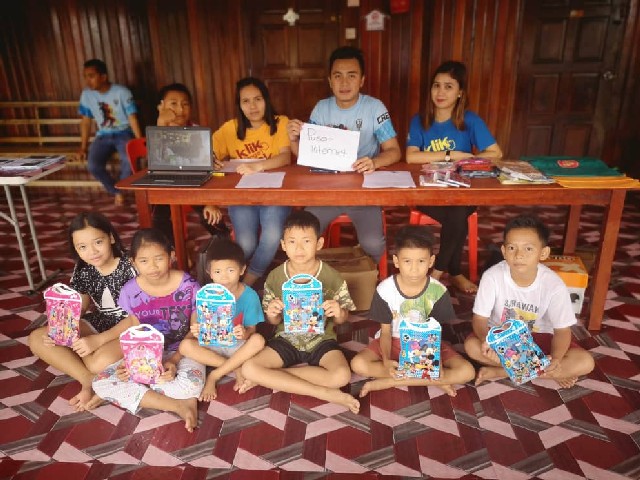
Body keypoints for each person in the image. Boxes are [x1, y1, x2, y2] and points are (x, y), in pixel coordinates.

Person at [287, 46, 401, 265]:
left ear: (362, 80)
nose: (344, 82)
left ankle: (367, 277)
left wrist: (374, 162)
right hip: (326, 190)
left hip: (363, 190)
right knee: (300, 236)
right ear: (330, 81)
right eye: (338, 76)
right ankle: (309, 276)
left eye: (352, 75)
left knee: (373, 245)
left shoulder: (374, 107)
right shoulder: (322, 109)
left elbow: (394, 150)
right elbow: (306, 155)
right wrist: (293, 140)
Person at [241, 211, 360, 413]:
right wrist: (273, 313)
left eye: (306, 241)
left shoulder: (332, 276)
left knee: (342, 375)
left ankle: (276, 377)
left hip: (321, 339)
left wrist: (339, 312)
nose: (299, 248)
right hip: (286, 338)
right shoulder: (276, 277)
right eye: (292, 242)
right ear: (283, 245)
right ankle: (323, 392)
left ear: (319, 243)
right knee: (249, 368)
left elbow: (342, 319)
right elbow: (272, 321)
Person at [92, 229, 205, 432]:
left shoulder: (189, 286)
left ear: (171, 256)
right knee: (101, 383)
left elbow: (195, 331)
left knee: (192, 384)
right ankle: (179, 405)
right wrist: (131, 364)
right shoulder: (130, 291)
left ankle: (144, 392)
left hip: (184, 351)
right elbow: (137, 331)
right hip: (146, 356)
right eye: (144, 261)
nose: (152, 267)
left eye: (158, 258)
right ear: (134, 262)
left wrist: (173, 362)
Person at [464, 215, 595, 388]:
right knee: (472, 346)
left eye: (528, 249)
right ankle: (541, 372)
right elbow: (480, 318)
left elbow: (562, 330)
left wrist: (556, 360)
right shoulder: (492, 276)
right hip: (502, 339)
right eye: (512, 248)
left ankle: (501, 371)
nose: (519, 255)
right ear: (503, 251)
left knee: (585, 362)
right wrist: (487, 341)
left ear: (543, 253)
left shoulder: (554, 284)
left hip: (540, 339)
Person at [406, 60, 503, 293]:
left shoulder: (470, 120)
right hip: (429, 192)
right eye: (436, 85)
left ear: (460, 92)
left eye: (448, 86)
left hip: (461, 190)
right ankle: (454, 273)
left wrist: (469, 161)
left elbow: (496, 153)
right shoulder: (420, 119)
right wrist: (452, 155)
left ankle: (436, 275)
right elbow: (411, 156)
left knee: (458, 211)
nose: (440, 92)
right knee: (457, 216)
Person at [28, 212, 136, 411]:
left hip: (131, 326)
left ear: (111, 238)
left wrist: (98, 340)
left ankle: (90, 368)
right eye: (82, 247)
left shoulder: (130, 266)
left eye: (98, 242)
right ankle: (88, 380)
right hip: (101, 320)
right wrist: (62, 329)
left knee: (97, 362)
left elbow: (137, 317)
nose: (92, 252)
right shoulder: (83, 267)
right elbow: (81, 303)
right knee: (37, 338)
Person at [350, 225, 475, 397]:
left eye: (421, 261)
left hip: (426, 345)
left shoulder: (438, 291)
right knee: (358, 364)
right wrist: (386, 360)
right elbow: (385, 332)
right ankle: (431, 380)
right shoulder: (385, 290)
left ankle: (391, 381)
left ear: (431, 261)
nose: (414, 269)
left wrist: (436, 362)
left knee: (467, 371)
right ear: (396, 261)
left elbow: (435, 334)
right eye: (407, 261)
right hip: (393, 341)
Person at [212, 77, 292, 287]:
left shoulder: (281, 123)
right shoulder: (230, 129)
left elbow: (285, 157)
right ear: (239, 105)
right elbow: (207, 154)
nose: (253, 106)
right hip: (242, 195)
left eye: (258, 99)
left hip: (275, 194)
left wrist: (258, 166)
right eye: (245, 101)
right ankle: (229, 276)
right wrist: (211, 161)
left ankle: (246, 283)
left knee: (272, 237)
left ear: (266, 100)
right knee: (246, 244)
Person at [179, 238, 266, 401]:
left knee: (258, 340)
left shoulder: (249, 295)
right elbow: (200, 323)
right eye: (218, 272)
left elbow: (252, 330)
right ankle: (235, 367)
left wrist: (244, 333)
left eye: (230, 270)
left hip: (236, 345)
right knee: (185, 346)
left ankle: (214, 375)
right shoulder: (205, 295)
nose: (224, 277)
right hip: (211, 346)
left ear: (242, 270)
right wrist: (197, 330)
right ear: (209, 272)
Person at [151, 83, 229, 246]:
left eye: (185, 104)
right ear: (160, 106)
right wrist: (162, 123)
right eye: (173, 104)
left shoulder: (198, 132)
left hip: (195, 184)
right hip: (166, 185)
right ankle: (173, 249)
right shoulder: (156, 132)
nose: (180, 109)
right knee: (158, 215)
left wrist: (211, 202)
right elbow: (157, 163)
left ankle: (224, 245)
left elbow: (209, 170)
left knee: (211, 215)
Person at [78, 59, 142, 206]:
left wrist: (139, 141)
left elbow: (132, 118)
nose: (88, 80)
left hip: (124, 133)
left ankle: (120, 190)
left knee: (129, 160)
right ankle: (116, 191)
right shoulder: (87, 95)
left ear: (103, 77)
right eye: (85, 77)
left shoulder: (122, 92)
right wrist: (83, 147)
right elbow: (86, 121)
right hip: (103, 136)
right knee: (93, 165)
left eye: (91, 76)